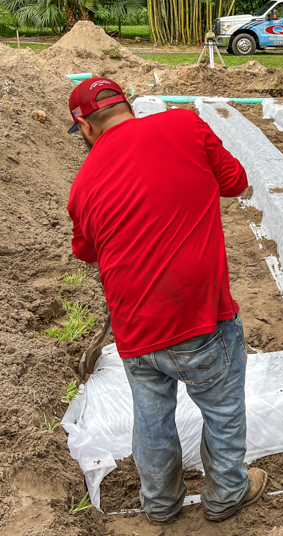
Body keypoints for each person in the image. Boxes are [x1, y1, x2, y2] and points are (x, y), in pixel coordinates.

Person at [66, 77, 267, 525]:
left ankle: (159, 503)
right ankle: (225, 495)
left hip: (135, 329)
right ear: (128, 107)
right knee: (222, 408)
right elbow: (234, 182)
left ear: (85, 128)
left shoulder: (81, 186)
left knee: (151, 417)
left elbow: (87, 251)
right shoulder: (185, 125)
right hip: (199, 317)